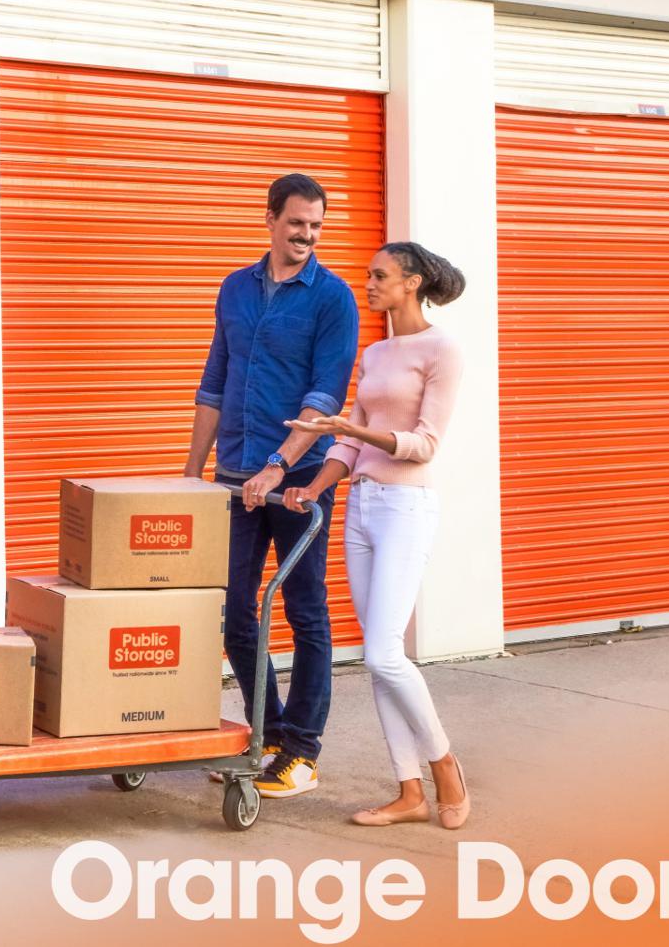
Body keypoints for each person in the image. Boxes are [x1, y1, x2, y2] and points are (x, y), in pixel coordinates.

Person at [281, 241, 471, 829]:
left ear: (412, 283)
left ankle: (445, 766)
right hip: (361, 507)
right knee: (378, 656)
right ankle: (409, 791)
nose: (368, 283)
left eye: (380, 275)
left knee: (384, 653)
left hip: (406, 507)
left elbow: (424, 444)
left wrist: (353, 430)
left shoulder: (441, 349)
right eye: (368, 275)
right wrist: (312, 487)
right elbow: (349, 438)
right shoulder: (376, 352)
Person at [184, 173, 360, 799]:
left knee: (304, 607)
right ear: (270, 219)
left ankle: (302, 750)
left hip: (298, 482)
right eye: (296, 224)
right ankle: (268, 733)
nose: (307, 235)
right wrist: (191, 472)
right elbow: (215, 381)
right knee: (234, 608)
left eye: (316, 226)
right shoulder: (235, 288)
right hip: (235, 476)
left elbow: (325, 397)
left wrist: (279, 466)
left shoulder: (333, 299)